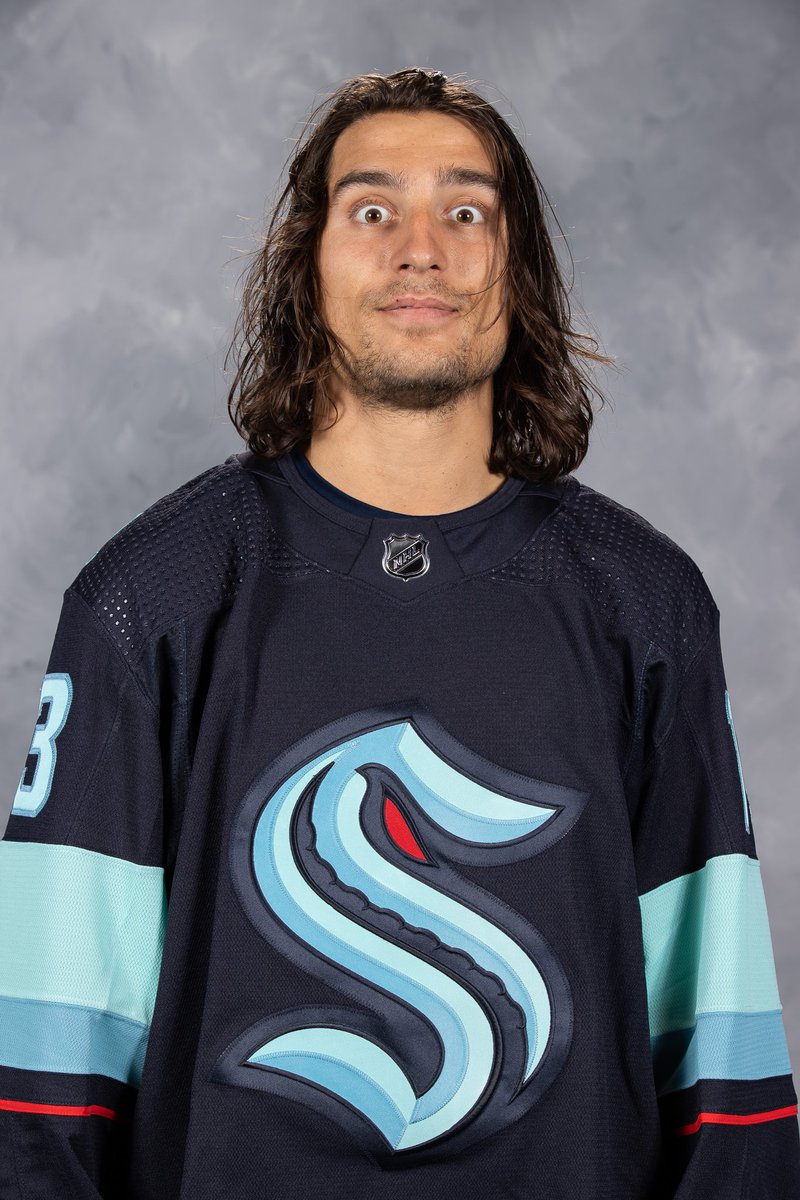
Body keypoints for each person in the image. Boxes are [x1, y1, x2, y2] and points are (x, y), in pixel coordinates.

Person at [0, 66, 797, 1200]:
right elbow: (46, 1072)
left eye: (466, 212)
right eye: (372, 209)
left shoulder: (644, 602)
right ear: (306, 265)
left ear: (518, 269)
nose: (420, 250)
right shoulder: (150, 595)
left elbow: (724, 1065)